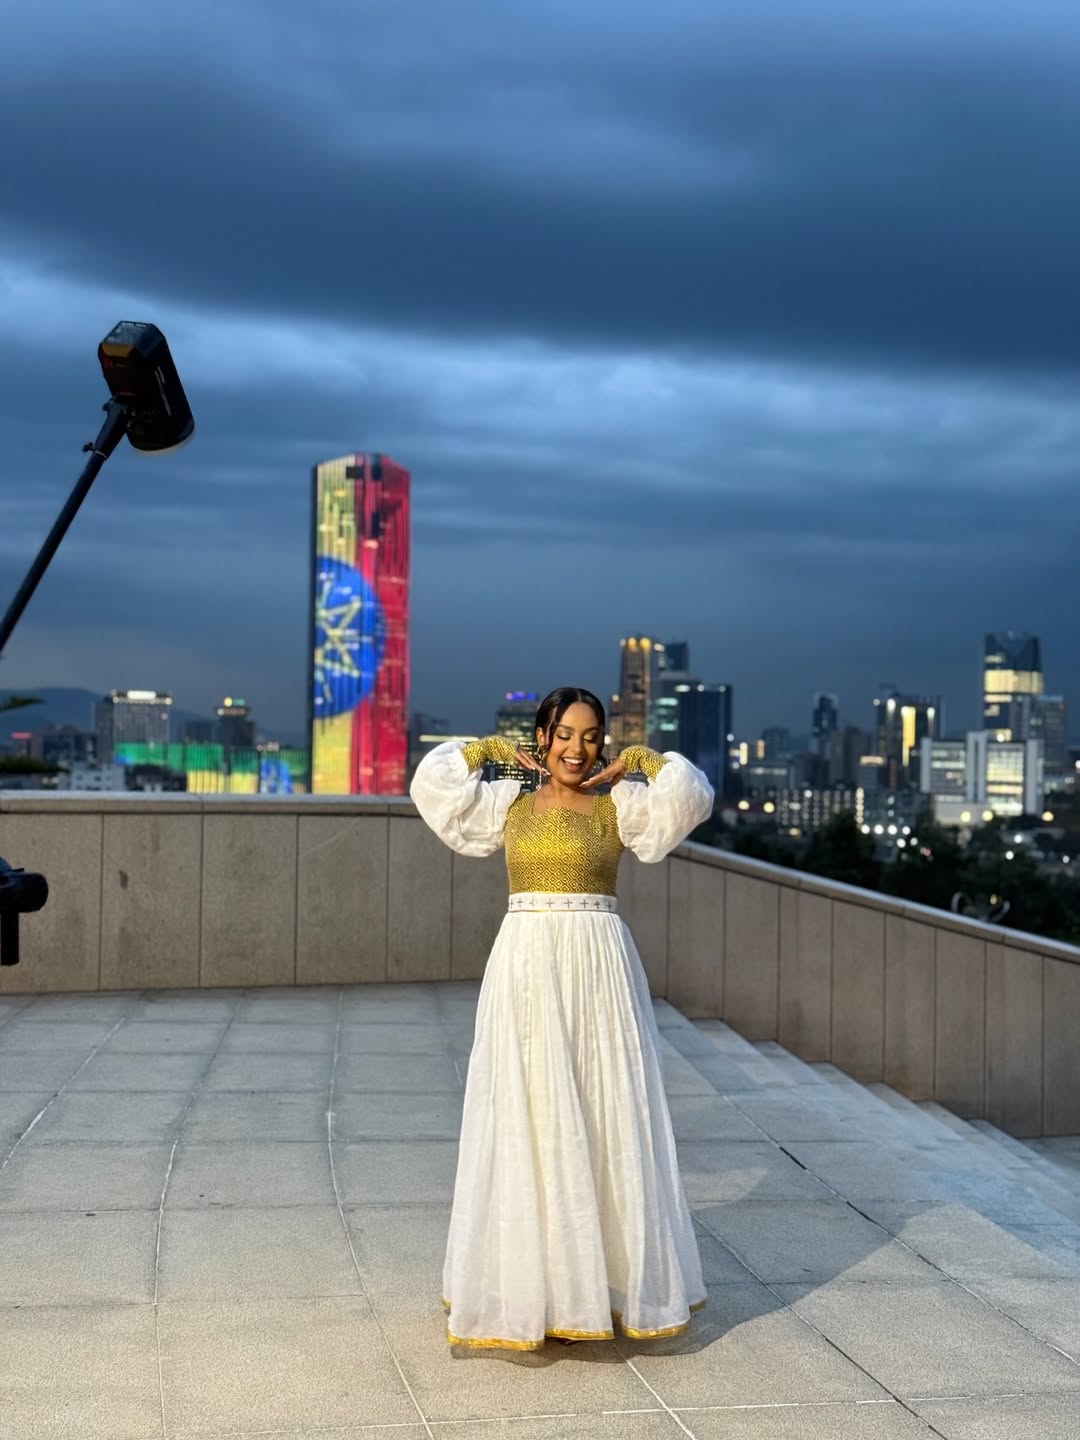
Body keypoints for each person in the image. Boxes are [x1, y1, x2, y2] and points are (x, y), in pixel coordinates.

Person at [409, 686, 714, 1351]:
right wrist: (486, 752)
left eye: (592, 736)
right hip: (525, 964)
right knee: (531, 1113)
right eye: (564, 734)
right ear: (541, 738)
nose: (578, 749)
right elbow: (432, 787)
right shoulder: (508, 803)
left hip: (600, 966)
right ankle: (533, 1289)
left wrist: (641, 760)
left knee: (605, 1115)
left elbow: (692, 797)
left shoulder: (618, 807)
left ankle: (601, 1288)